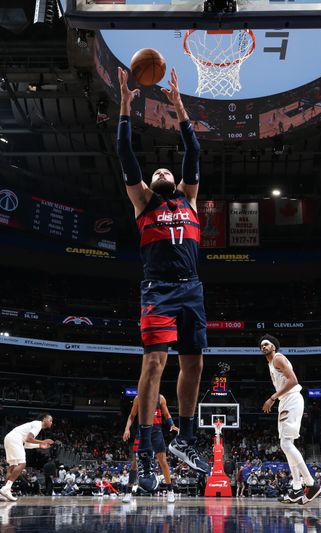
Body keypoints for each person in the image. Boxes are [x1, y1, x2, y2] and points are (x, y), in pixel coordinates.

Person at [115, 66, 209, 491]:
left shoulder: (189, 198)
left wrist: (178, 106)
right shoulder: (143, 202)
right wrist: (124, 106)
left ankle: (186, 440)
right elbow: (126, 155)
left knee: (195, 362)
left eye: (168, 172)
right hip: (157, 289)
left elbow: (193, 151)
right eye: (158, 174)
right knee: (154, 363)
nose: (163, 172)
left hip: (191, 287)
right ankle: (147, 452)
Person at [259, 334, 321, 505]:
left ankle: (311, 484)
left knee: (286, 444)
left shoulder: (278, 358)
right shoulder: (271, 363)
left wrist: (272, 398)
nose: (264, 347)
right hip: (285, 401)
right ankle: (296, 488)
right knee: (287, 444)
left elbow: (294, 381)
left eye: (267, 344)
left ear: (274, 346)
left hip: (291, 398)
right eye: (261, 346)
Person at [122, 394, 179, 503]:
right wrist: (127, 429)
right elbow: (132, 415)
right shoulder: (139, 398)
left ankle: (170, 492)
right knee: (135, 464)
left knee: (163, 462)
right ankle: (128, 492)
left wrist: (171, 424)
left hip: (156, 433)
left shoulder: (161, 398)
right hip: (142, 432)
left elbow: (166, 414)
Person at [0, 414, 54, 501]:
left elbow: (26, 444)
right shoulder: (38, 424)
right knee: (22, 464)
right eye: (50, 420)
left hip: (9, 438)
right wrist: (43, 441)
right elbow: (29, 439)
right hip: (15, 439)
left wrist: (40, 445)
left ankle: (3, 494)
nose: (51, 422)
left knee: (12, 467)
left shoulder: (34, 425)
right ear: (44, 419)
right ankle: (6, 489)